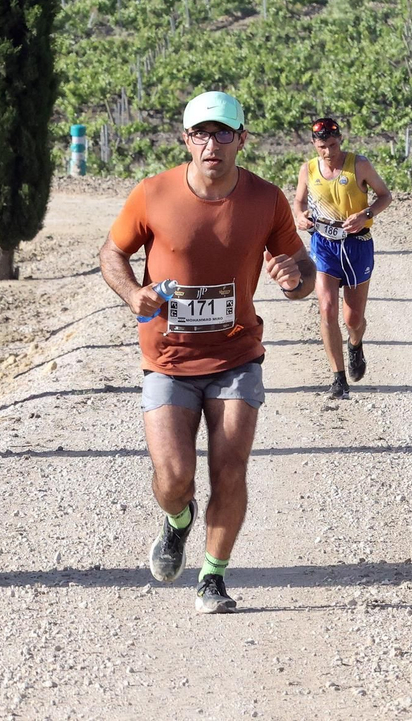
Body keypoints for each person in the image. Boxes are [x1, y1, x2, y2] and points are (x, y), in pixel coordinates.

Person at [100, 90, 314, 614]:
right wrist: (134, 294)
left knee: (230, 467)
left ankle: (213, 576)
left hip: (237, 356)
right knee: (174, 479)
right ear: (186, 140)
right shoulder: (153, 193)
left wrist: (293, 280)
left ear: (242, 139)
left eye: (223, 133)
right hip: (168, 360)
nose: (211, 143)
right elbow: (112, 252)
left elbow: (302, 270)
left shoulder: (266, 200)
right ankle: (177, 520)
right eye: (201, 133)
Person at [291, 117, 393, 399]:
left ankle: (355, 344)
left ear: (341, 141)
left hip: (357, 245)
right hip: (323, 244)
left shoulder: (359, 164)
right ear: (314, 145)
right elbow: (299, 202)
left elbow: (385, 196)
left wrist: (366, 215)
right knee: (326, 309)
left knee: (353, 318)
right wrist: (300, 216)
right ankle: (338, 378)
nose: (328, 152)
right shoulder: (308, 170)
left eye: (333, 145)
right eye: (322, 146)